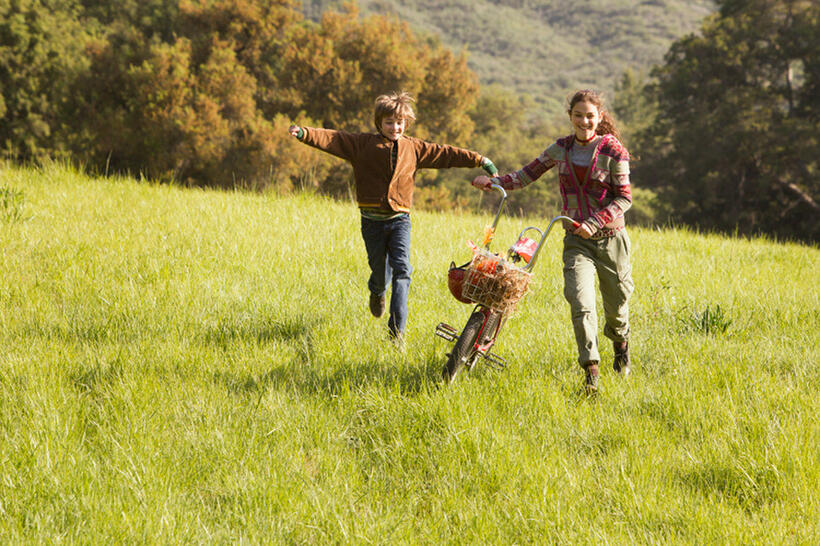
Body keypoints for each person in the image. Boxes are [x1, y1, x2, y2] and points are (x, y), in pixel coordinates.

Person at [289, 91, 498, 343]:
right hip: (372, 222)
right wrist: (304, 133)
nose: (395, 127)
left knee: (403, 270)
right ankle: (377, 291)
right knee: (379, 273)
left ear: (406, 123)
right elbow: (333, 138)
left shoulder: (415, 148)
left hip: (400, 220)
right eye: (389, 122)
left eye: (400, 122)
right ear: (379, 123)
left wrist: (479, 160)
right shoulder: (362, 145)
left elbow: (446, 153)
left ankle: (396, 333)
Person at [472, 89, 633, 392]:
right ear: (570, 116)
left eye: (590, 116)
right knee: (580, 301)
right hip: (576, 241)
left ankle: (620, 345)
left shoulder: (613, 151)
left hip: (611, 239)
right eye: (578, 115)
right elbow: (525, 175)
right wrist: (494, 183)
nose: (584, 121)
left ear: (599, 117)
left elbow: (625, 198)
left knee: (617, 306)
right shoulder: (561, 149)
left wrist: (595, 221)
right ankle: (591, 371)